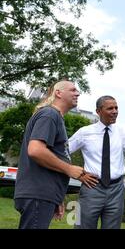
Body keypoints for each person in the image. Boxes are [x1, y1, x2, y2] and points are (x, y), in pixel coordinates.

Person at [68, 95, 125, 229]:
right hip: (91, 188)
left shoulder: (122, 131)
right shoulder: (84, 132)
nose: (115, 111)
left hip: (116, 190)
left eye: (116, 108)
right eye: (110, 108)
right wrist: (76, 173)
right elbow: (63, 152)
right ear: (98, 111)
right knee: (81, 226)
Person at [14, 80, 86, 229]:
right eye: (73, 90)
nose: (78, 93)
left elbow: (53, 156)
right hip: (37, 193)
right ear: (58, 93)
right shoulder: (49, 114)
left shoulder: (55, 117)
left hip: (44, 194)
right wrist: (69, 169)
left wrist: (57, 197)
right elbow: (36, 150)